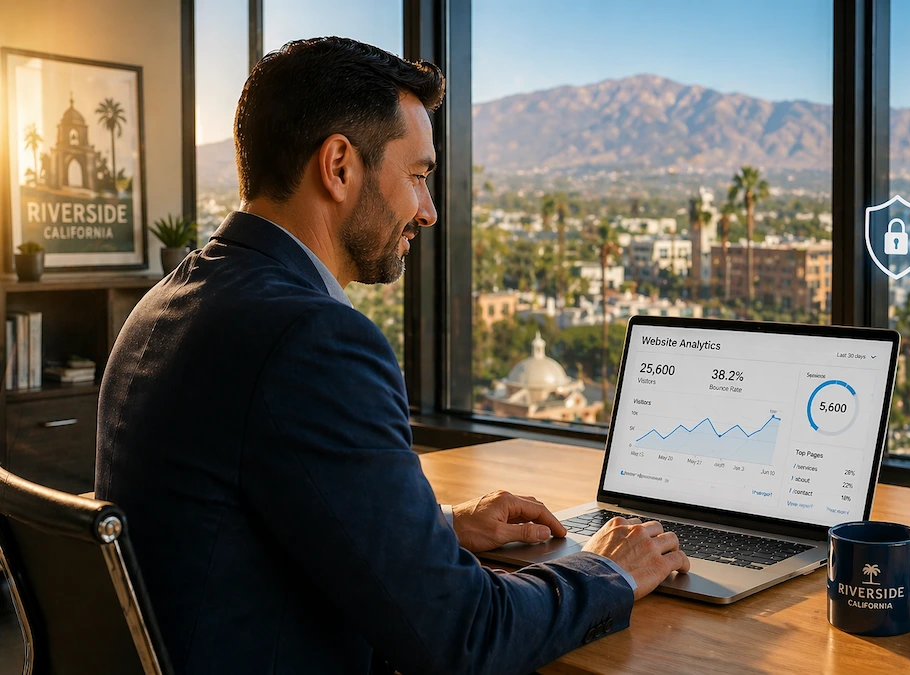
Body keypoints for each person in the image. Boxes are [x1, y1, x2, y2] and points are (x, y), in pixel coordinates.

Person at [95, 37, 688, 675]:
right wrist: (606, 571)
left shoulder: (169, 302)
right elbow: (464, 636)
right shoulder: (312, 338)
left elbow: (243, 517)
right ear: (339, 167)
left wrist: (435, 528)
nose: (427, 212)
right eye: (418, 176)